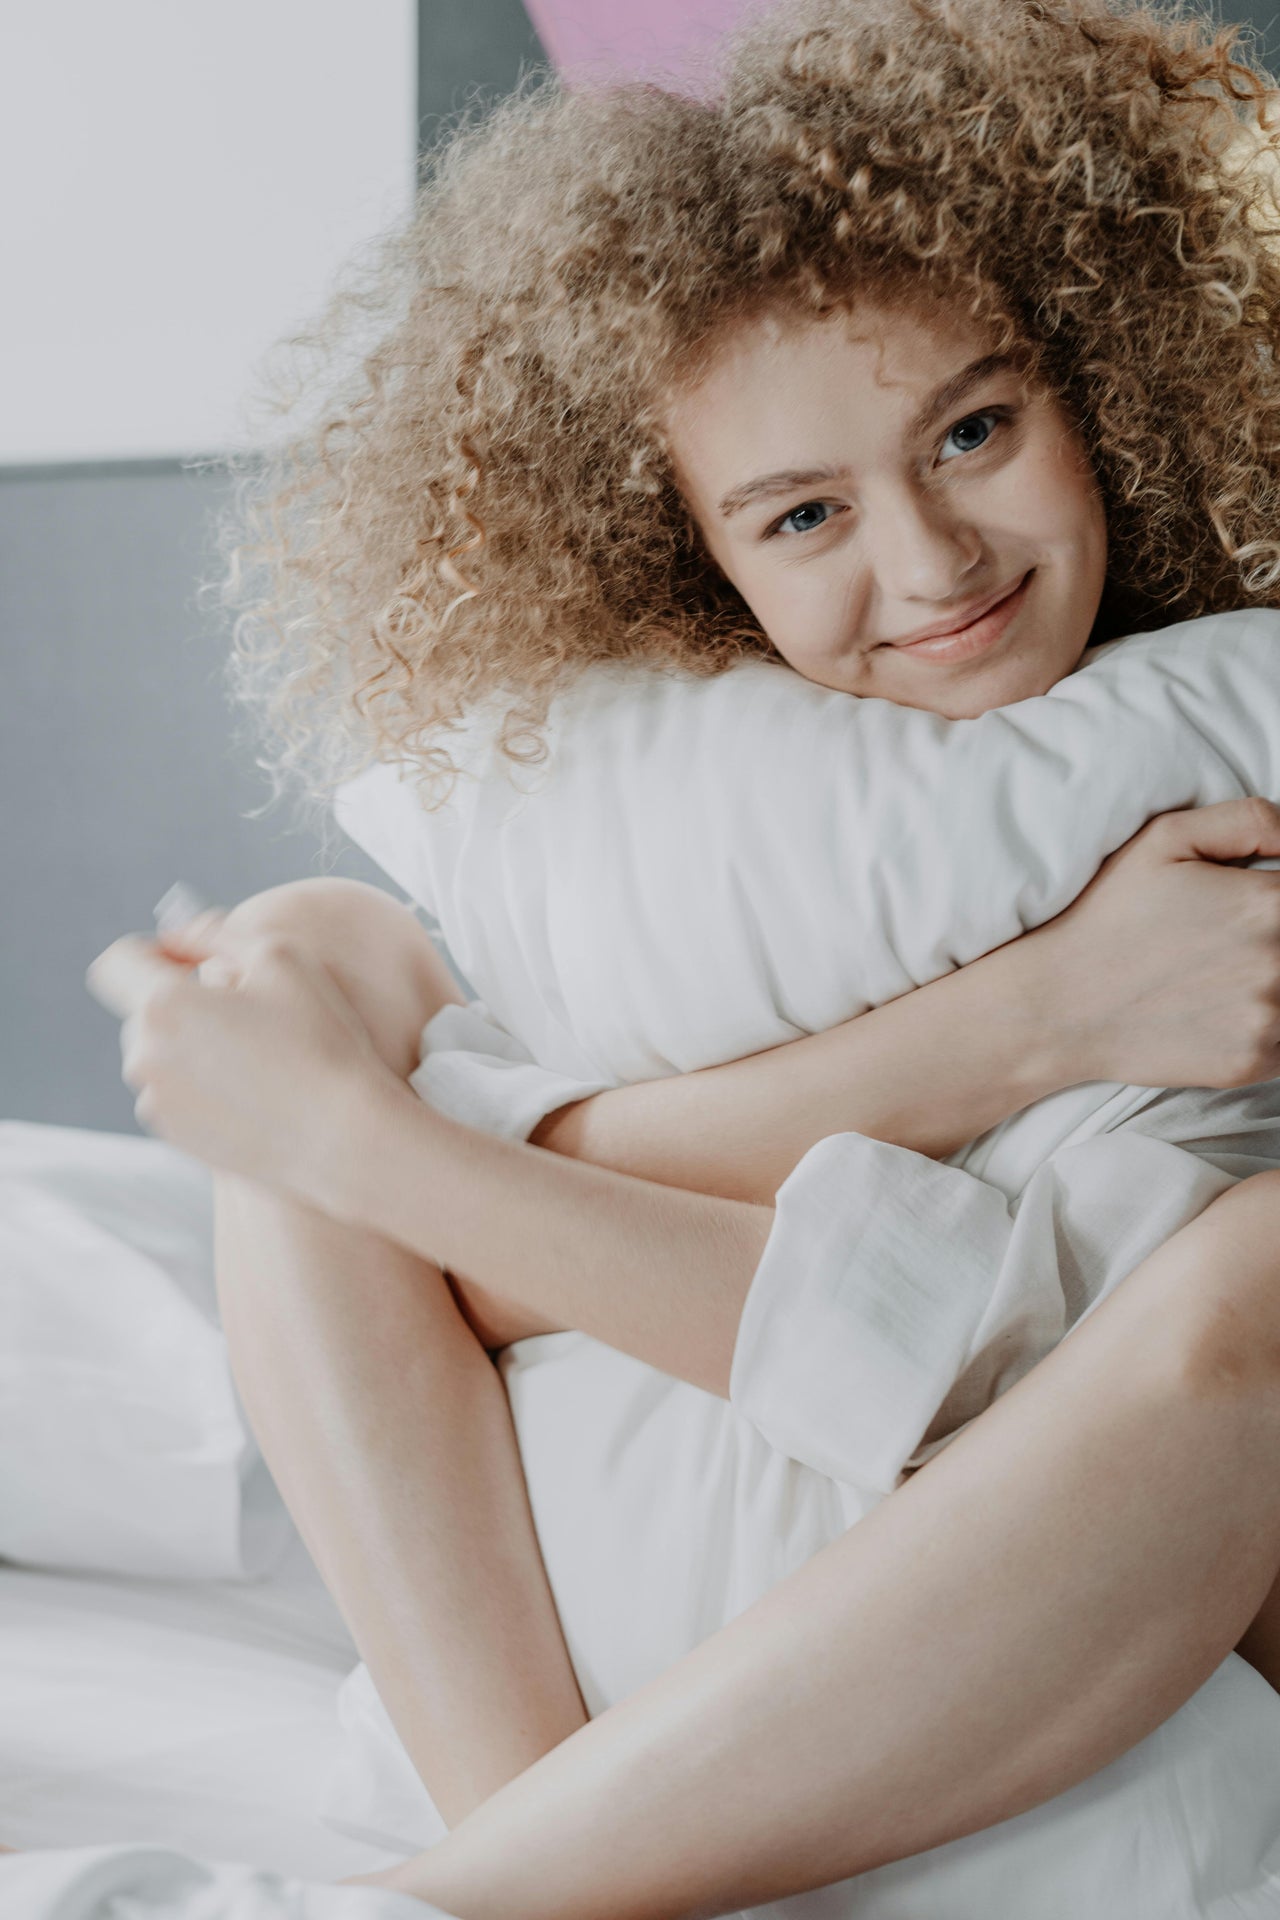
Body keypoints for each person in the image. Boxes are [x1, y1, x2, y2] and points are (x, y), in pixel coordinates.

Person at [92, 0, 1280, 1912]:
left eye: (977, 429)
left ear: (1102, 378)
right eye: (804, 515)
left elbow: (999, 1392)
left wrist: (381, 1167)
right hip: (848, 1517)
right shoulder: (708, 830)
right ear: (682, 558)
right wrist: (1036, 1017)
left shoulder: (1227, 757)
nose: (931, 563)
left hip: (1142, 1512)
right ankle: (518, 1848)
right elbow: (482, 1282)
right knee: (300, 960)